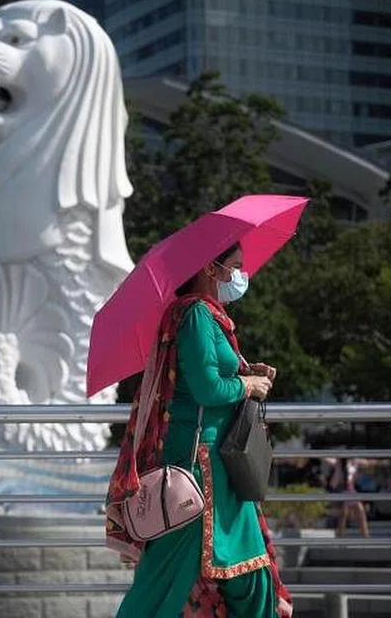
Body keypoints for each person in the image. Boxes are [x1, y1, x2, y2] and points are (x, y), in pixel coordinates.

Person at [107, 243, 293, 617]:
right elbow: (208, 389)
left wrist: (246, 372)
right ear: (211, 267)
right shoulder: (195, 315)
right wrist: (247, 386)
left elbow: (205, 379)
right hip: (201, 469)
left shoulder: (206, 317)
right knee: (172, 583)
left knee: (238, 577)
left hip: (216, 464)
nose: (240, 276)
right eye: (234, 267)